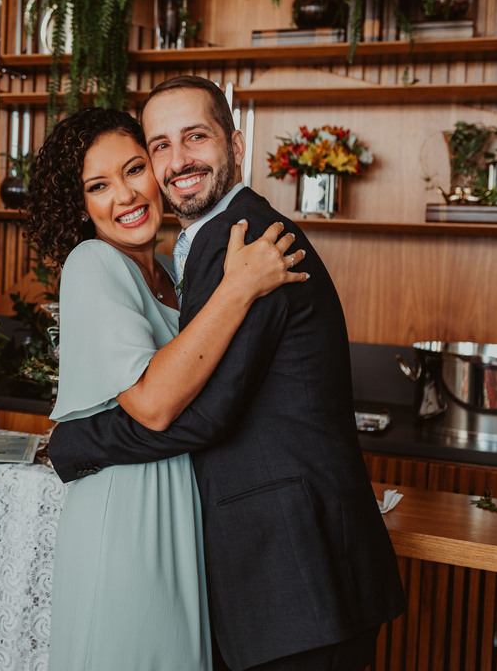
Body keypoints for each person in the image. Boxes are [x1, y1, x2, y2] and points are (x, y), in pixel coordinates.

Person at [48, 77, 406, 671]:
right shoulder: (215, 246)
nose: (178, 160)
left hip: (295, 570)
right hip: (277, 569)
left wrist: (75, 441)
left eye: (196, 137)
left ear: (235, 143)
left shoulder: (242, 240)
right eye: (160, 146)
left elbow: (202, 414)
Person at [24, 107, 305, 670]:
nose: (126, 195)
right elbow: (152, 405)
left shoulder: (172, 272)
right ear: (79, 206)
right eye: (98, 186)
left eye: (134, 169)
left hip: (181, 511)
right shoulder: (92, 263)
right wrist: (240, 287)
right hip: (127, 517)